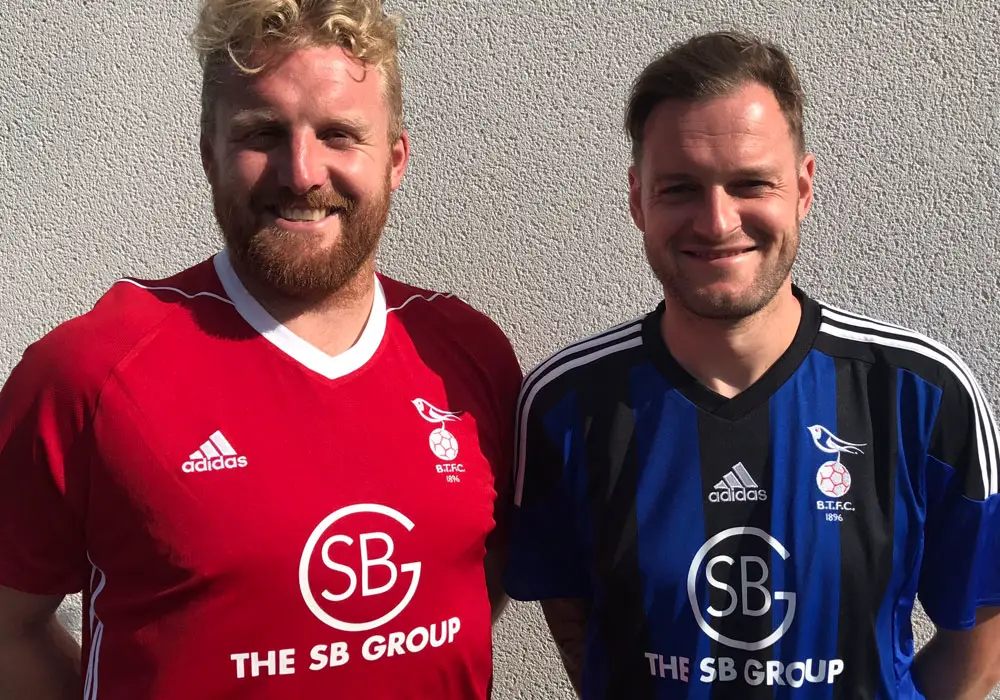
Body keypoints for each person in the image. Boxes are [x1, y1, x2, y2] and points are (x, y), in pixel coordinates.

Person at [0, 1, 521, 698]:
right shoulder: (89, 372)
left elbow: (471, 586)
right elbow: (8, 626)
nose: (302, 171)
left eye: (339, 134)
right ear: (209, 153)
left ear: (395, 158)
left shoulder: (468, 352)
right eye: (262, 133)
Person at [504, 30, 1000, 700]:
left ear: (802, 188)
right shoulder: (567, 404)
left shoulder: (922, 392)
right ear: (636, 199)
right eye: (679, 187)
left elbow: (984, 621)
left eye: (750, 184)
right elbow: (571, 615)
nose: (716, 221)